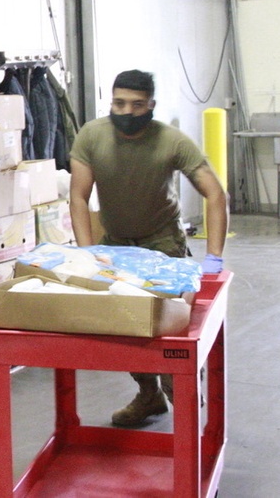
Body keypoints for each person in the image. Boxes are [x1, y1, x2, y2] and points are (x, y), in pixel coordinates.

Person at [68, 69, 228, 427]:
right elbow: (78, 196)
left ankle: (185, 406)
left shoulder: (172, 142)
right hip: (117, 247)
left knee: (171, 333)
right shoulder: (92, 137)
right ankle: (149, 395)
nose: (127, 112)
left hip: (164, 245)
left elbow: (216, 194)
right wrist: (85, 252)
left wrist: (214, 257)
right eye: (119, 103)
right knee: (126, 327)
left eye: (137, 105)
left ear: (151, 105)